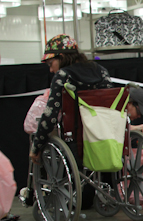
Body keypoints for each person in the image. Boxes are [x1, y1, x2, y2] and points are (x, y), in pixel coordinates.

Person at [29, 34, 113, 164]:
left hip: (76, 141)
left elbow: (50, 116)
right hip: (105, 136)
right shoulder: (101, 71)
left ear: (62, 57)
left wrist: (36, 146)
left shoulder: (63, 75)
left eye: (51, 64)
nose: (51, 70)